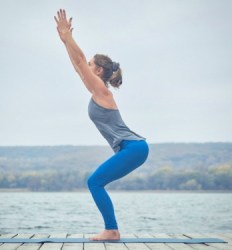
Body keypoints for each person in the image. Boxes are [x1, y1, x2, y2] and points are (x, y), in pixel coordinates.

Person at [54, 9, 149, 241]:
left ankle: (112, 230)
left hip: (133, 147)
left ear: (97, 71)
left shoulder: (100, 90)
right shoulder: (97, 89)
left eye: (90, 64)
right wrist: (65, 42)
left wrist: (68, 38)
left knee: (94, 182)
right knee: (96, 181)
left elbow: (79, 62)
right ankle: (111, 229)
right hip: (133, 148)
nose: (85, 66)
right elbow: (78, 65)